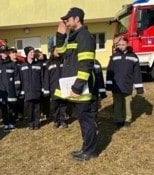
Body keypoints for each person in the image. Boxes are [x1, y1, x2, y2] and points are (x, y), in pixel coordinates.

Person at [56, 7, 98, 161]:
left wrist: (77, 87)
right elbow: (61, 52)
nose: (66, 22)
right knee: (83, 120)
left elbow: (86, 65)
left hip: (81, 89)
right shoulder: (74, 37)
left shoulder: (84, 37)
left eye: (68, 19)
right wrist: (60, 35)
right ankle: (85, 148)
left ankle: (90, 151)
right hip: (77, 89)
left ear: (77, 19)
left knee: (87, 121)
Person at [106, 37, 144, 128]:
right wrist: (109, 84)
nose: (121, 46)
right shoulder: (114, 56)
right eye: (119, 45)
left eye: (123, 45)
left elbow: (137, 73)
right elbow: (110, 70)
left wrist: (139, 87)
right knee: (117, 103)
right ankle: (118, 120)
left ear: (127, 44)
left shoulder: (133, 57)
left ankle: (127, 120)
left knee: (127, 103)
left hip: (127, 84)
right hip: (116, 85)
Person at [0, 45, 21, 132]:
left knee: (12, 107)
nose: (4, 54)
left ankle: (12, 123)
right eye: (3, 52)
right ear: (0, 53)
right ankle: (6, 124)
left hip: (11, 90)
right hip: (1, 90)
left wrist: (17, 90)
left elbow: (17, 78)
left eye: (6, 52)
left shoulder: (13, 64)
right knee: (3, 108)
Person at [43, 46, 68, 128]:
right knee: (55, 106)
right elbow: (46, 77)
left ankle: (63, 120)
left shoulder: (64, 61)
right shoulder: (49, 63)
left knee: (63, 105)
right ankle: (56, 121)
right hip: (54, 88)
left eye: (59, 50)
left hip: (63, 88)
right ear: (52, 52)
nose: (58, 52)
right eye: (56, 50)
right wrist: (46, 89)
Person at [20, 46, 44, 130]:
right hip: (27, 91)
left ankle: (36, 123)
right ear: (27, 54)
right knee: (29, 108)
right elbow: (21, 79)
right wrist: (22, 90)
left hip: (37, 90)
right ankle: (30, 123)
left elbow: (42, 77)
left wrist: (43, 88)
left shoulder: (39, 65)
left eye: (33, 52)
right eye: (30, 52)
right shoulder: (22, 66)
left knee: (37, 108)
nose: (32, 54)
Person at [9, 47, 24, 121]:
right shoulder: (8, 64)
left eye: (15, 52)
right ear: (9, 54)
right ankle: (13, 114)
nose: (15, 54)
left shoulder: (20, 63)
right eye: (13, 53)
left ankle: (20, 114)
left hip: (20, 85)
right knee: (12, 101)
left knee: (20, 100)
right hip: (11, 86)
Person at [35, 49, 50, 121]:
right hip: (39, 84)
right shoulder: (36, 63)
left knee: (46, 100)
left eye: (40, 54)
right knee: (40, 100)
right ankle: (40, 113)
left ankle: (47, 113)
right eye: (38, 55)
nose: (40, 55)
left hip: (46, 83)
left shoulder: (47, 62)